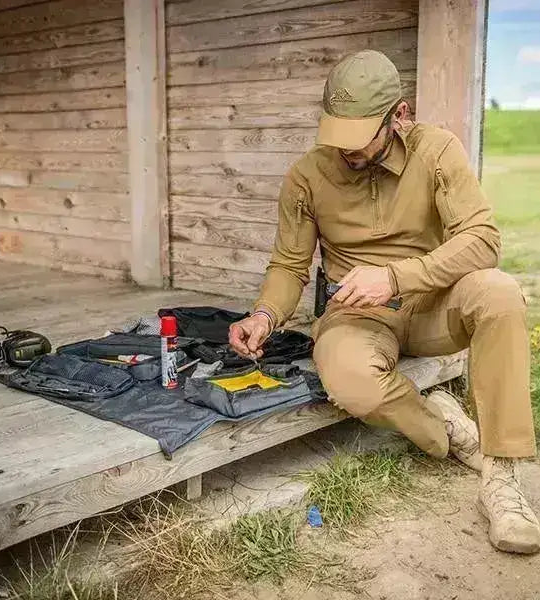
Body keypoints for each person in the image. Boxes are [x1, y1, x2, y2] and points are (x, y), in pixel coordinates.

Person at [228, 50, 540, 554]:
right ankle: (445, 430)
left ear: (399, 115)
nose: (346, 150)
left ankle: (502, 478)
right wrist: (264, 315)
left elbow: (483, 240)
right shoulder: (306, 176)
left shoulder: (437, 150)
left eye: (359, 137)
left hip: (434, 303)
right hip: (357, 315)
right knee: (349, 378)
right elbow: (289, 265)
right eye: (337, 134)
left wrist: (395, 277)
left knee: (500, 294)